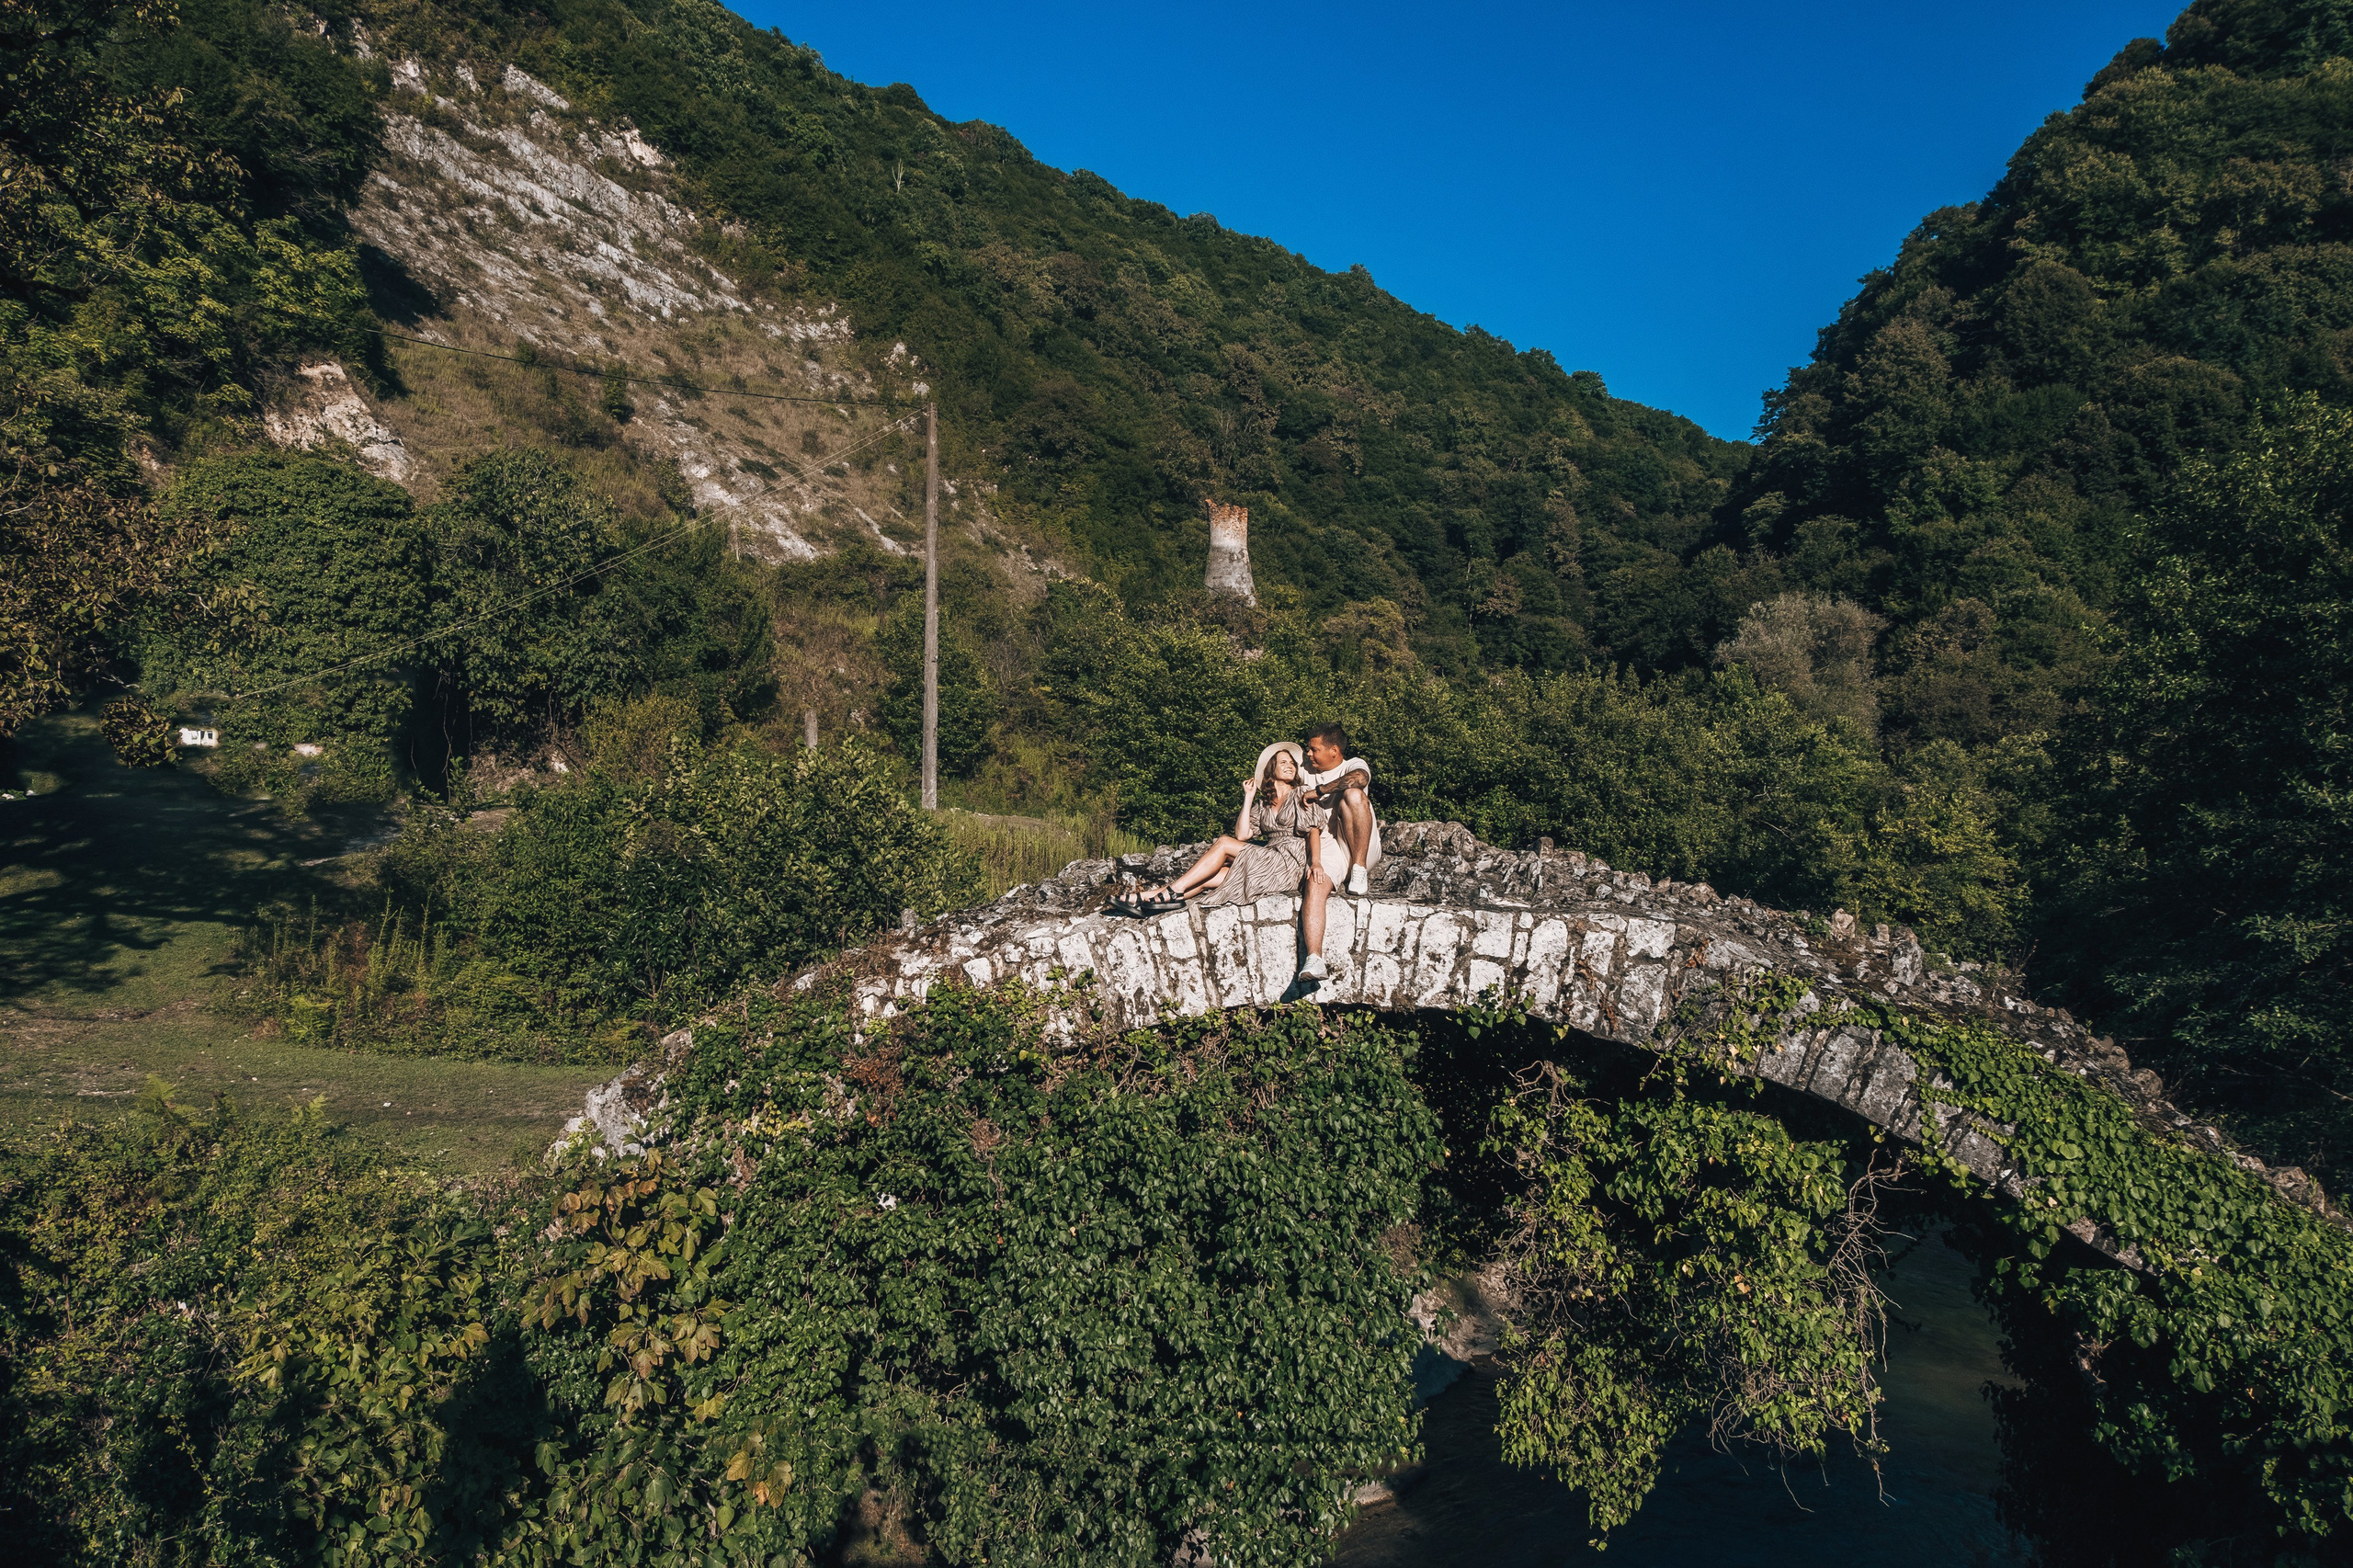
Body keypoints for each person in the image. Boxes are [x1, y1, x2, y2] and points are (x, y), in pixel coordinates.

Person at [1115, 743, 1327, 917]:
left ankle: (1172, 891)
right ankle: (1143, 901)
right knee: (1207, 876)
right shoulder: (1264, 803)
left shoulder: (1301, 792)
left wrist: (1315, 862)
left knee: (1224, 843)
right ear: (1272, 768)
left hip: (1289, 861)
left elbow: (1313, 830)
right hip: (1267, 859)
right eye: (1284, 762)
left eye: (1292, 763)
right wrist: (1248, 797)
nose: (1290, 766)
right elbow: (1243, 835)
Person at [1301, 722, 1381, 896]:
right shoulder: (1305, 770)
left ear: (1334, 751)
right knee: (1314, 885)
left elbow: (1360, 779)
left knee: (1353, 794)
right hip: (1328, 851)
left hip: (1360, 848)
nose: (1309, 754)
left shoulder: (1353, 765)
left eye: (1314, 750)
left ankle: (1359, 870)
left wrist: (1319, 791)